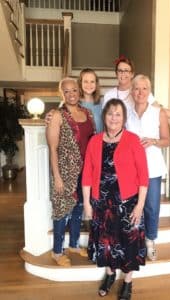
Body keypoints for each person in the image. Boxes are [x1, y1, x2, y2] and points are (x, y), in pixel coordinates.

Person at [82, 98, 149, 300]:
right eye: (110, 113)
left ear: (124, 118)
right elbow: (87, 173)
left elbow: (143, 176)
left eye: (118, 114)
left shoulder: (133, 140)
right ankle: (110, 275)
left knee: (128, 243)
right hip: (102, 203)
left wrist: (140, 206)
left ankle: (127, 282)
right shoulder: (95, 140)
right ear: (105, 116)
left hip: (128, 202)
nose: (114, 117)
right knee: (106, 242)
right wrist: (87, 203)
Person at [46, 77, 95, 266]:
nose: (71, 94)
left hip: (85, 171)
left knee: (78, 209)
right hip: (65, 172)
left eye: (74, 90)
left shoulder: (88, 113)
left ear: (79, 91)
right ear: (62, 94)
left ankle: (74, 244)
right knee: (61, 211)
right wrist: (57, 177)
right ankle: (57, 251)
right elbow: (53, 149)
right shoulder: (57, 115)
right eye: (66, 91)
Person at [126, 74, 170, 261]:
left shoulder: (158, 112)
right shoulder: (125, 112)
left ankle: (151, 240)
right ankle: (135, 240)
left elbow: (167, 140)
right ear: (132, 91)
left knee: (151, 207)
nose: (140, 92)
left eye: (144, 88)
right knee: (132, 206)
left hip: (152, 167)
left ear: (149, 91)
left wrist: (153, 141)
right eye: (137, 88)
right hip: (130, 168)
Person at [103, 55, 170, 121]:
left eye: (126, 71)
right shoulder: (109, 95)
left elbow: (159, 110)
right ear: (116, 73)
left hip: (138, 135)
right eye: (120, 71)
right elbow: (106, 119)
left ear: (132, 74)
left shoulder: (140, 92)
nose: (123, 74)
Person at [78, 68, 103, 133]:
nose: (89, 85)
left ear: (96, 84)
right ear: (80, 83)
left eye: (92, 81)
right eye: (86, 81)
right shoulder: (74, 103)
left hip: (98, 141)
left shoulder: (102, 103)